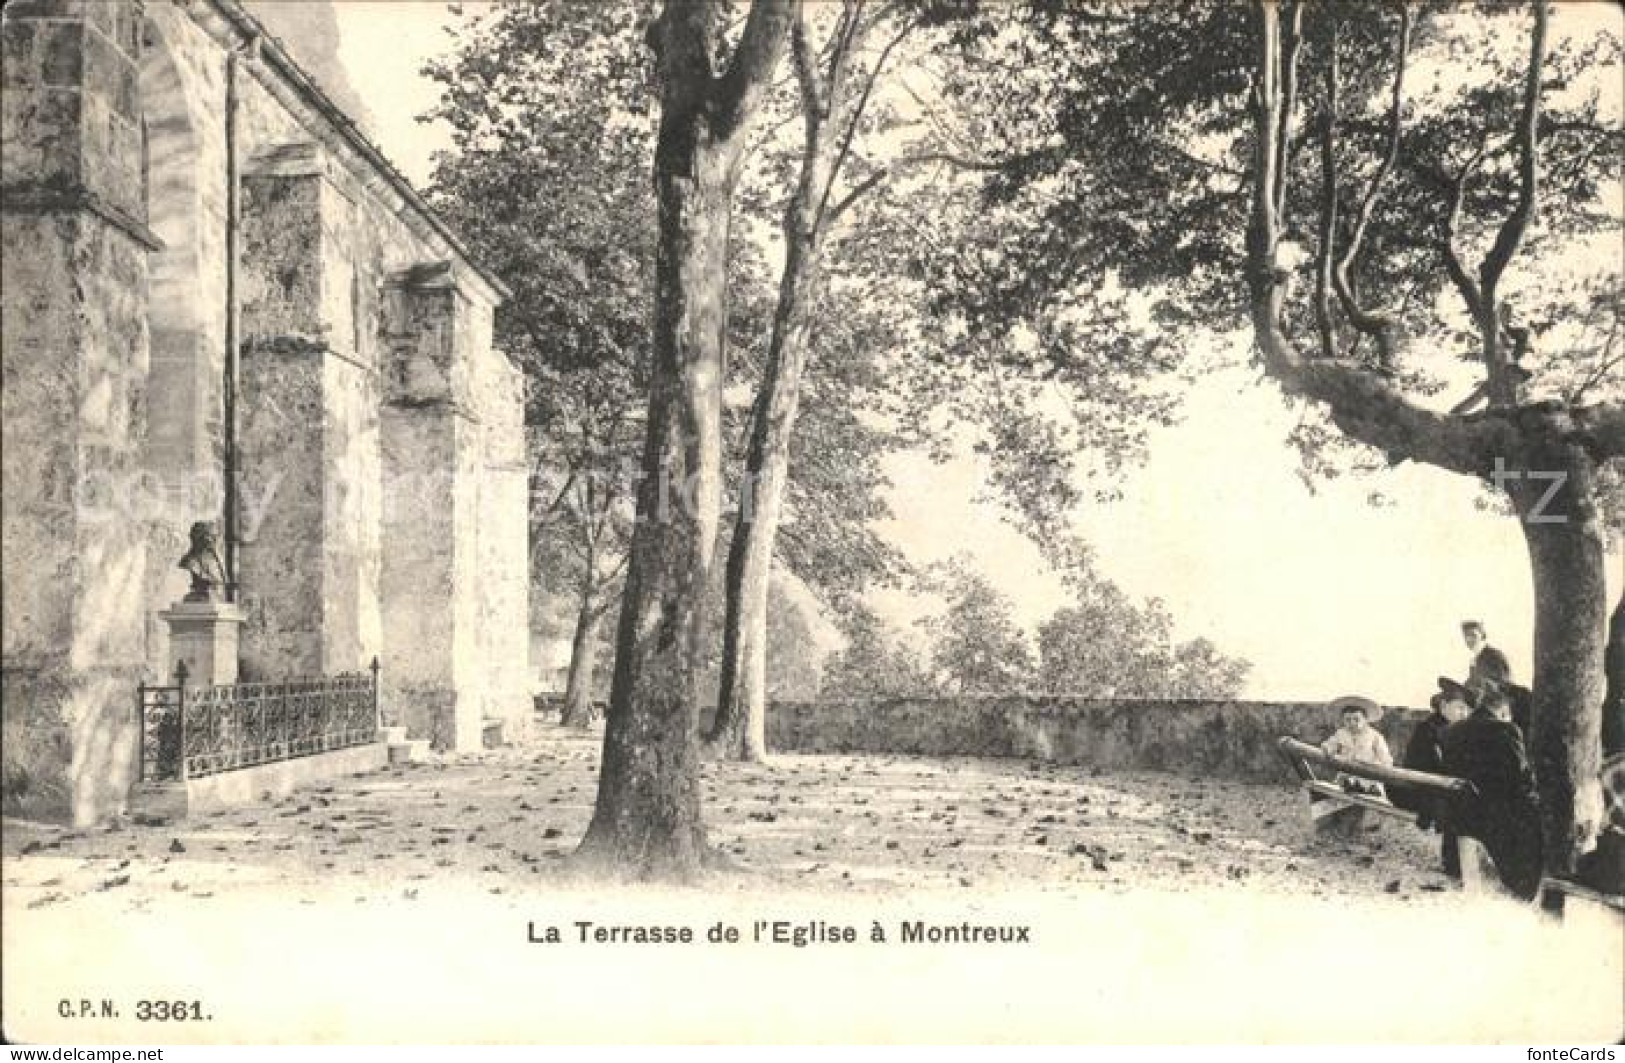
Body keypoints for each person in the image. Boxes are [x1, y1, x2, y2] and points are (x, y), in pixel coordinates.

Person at [1440, 682, 1544, 900]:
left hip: (1462, 810)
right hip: (1495, 812)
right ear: (1504, 711)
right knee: (1536, 819)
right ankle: (1524, 888)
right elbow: (1519, 775)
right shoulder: (1508, 729)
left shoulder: (1451, 731)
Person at [1392, 678, 1476, 877]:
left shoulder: (1461, 729)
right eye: (1459, 708)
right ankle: (1455, 866)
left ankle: (1465, 863)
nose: (1464, 714)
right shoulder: (1428, 730)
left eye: (1467, 710)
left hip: (1441, 787)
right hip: (1418, 788)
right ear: (1443, 706)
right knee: (1457, 804)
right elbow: (1425, 766)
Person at [1321, 695, 1392, 797]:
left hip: (1368, 775)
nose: (1352, 723)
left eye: (1356, 719)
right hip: (1347, 774)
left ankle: (1369, 789)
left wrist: (1377, 765)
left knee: (1369, 784)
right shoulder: (1341, 733)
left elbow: (1386, 759)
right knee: (1344, 784)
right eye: (1348, 720)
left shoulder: (1375, 736)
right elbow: (1331, 744)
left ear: (1365, 720)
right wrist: (1328, 748)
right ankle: (1349, 787)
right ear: (1343, 720)